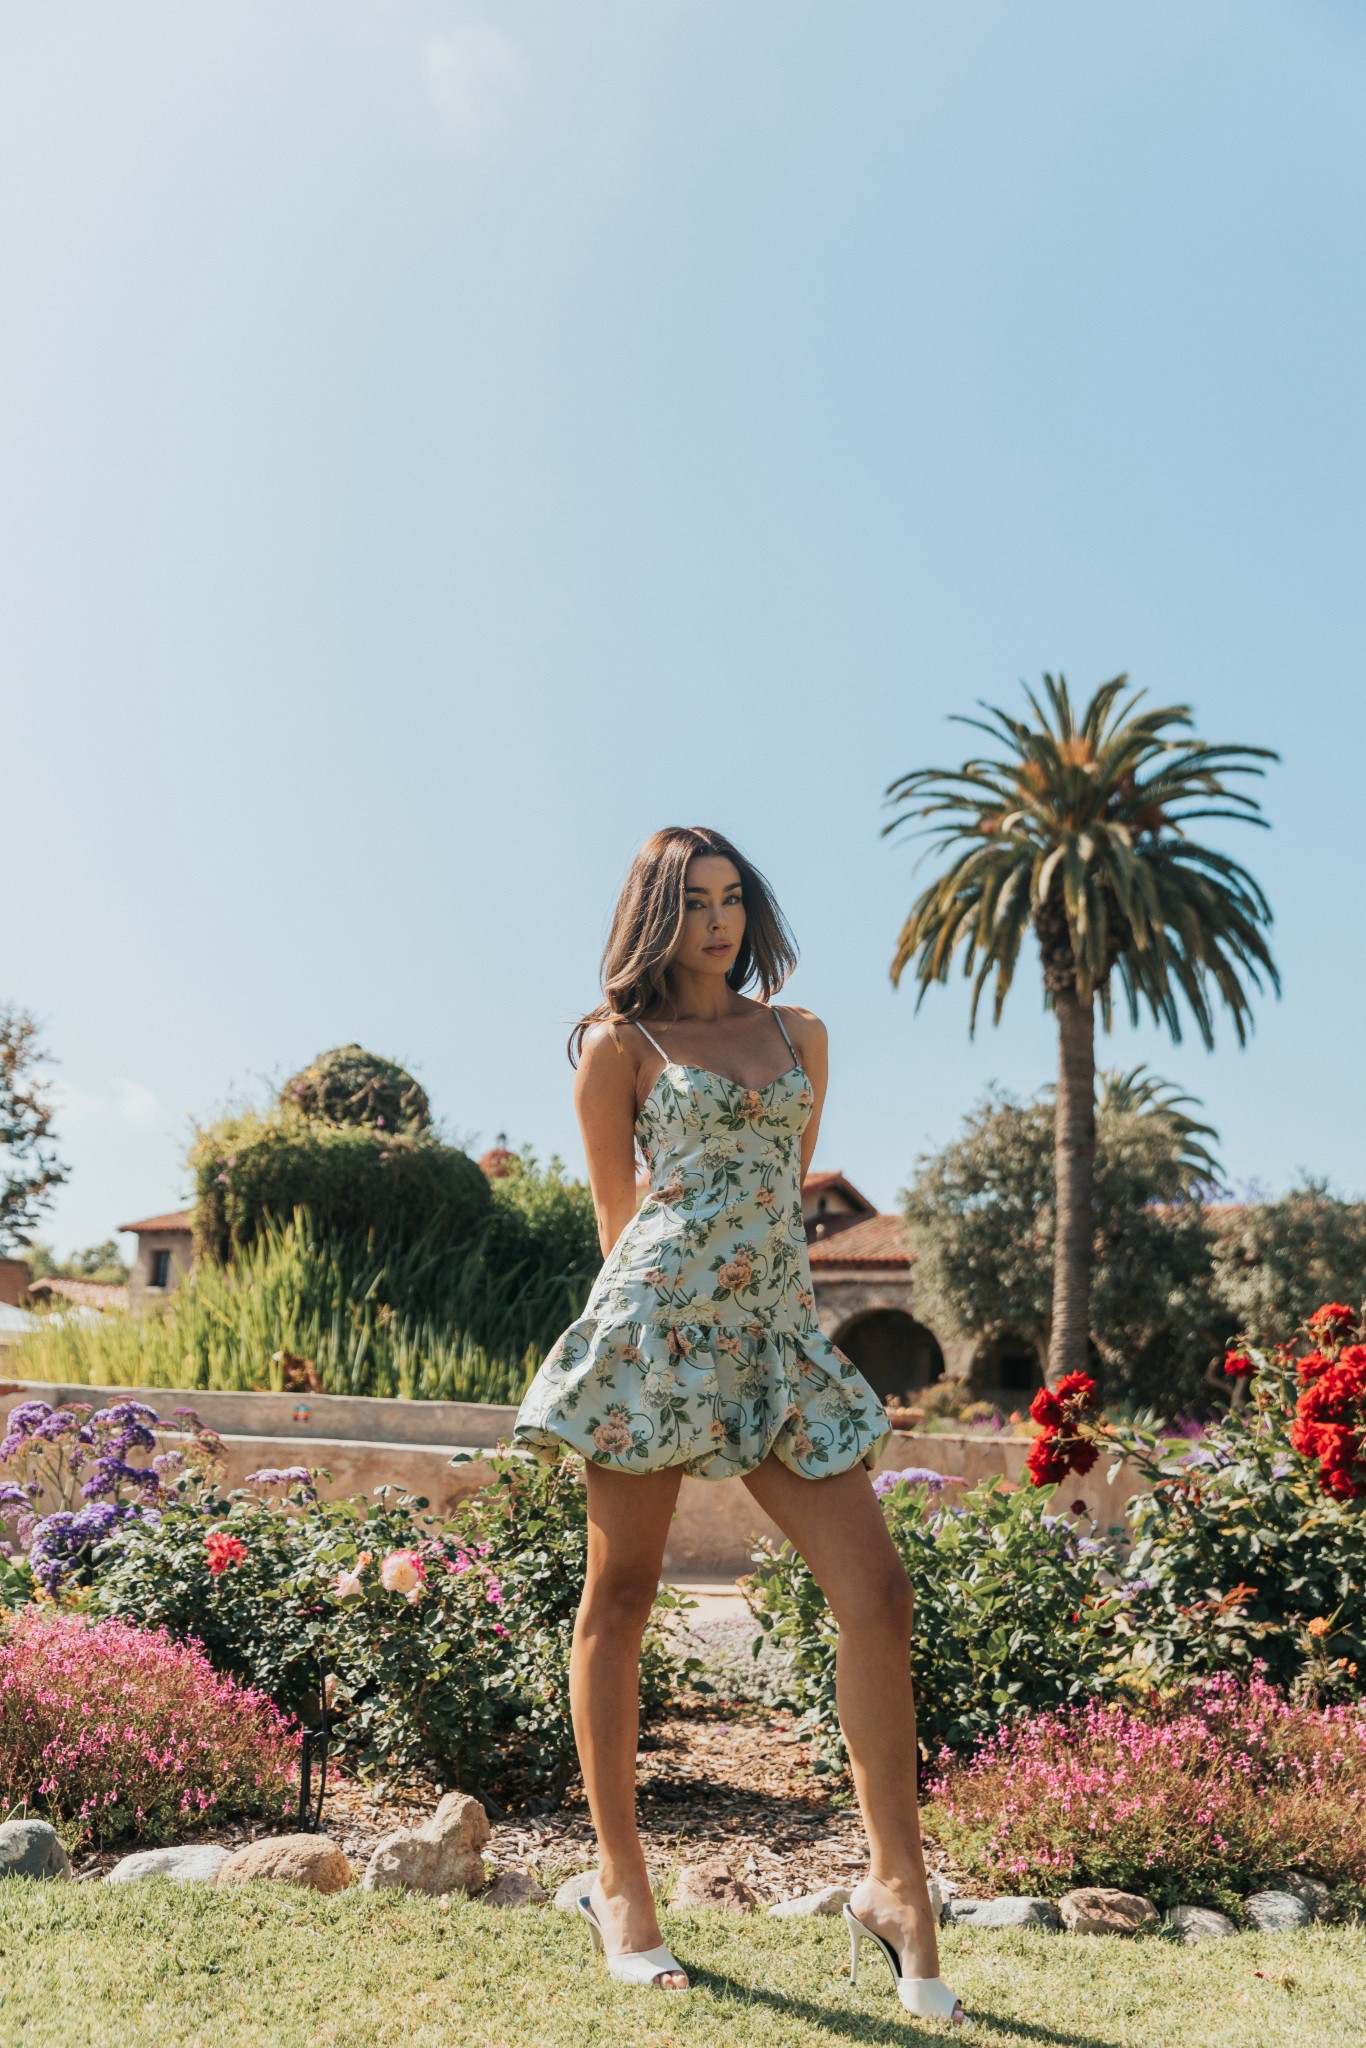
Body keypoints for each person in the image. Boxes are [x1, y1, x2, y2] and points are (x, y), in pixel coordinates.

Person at [514, 825, 964, 2024]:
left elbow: (785, 1191)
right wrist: (639, 1353)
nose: (716, 921)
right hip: (659, 1329)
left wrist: (752, 1311)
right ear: (654, 914)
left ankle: (894, 1883)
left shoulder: (799, 1032)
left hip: (774, 1338)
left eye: (731, 899)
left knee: (877, 1594)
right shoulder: (619, 1046)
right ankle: (621, 1885)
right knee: (622, 1594)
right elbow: (624, 1218)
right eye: (693, 901)